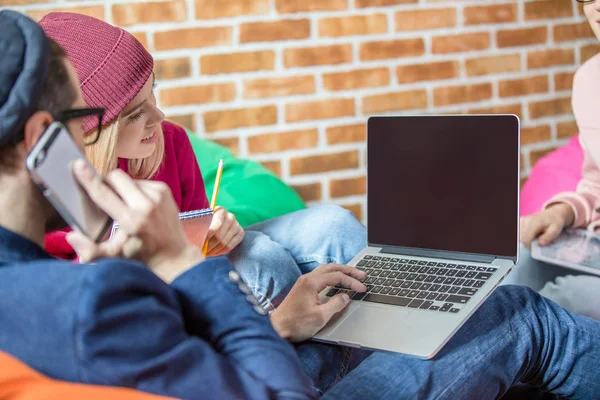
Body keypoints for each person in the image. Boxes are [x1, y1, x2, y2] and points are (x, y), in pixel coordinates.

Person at [3, 10, 600, 400]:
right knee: (519, 312)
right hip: (273, 376)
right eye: (83, 122)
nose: (158, 124)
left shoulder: (38, 285)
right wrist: (212, 285)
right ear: (41, 142)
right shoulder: (86, 300)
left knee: (346, 276)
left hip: (255, 358)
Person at [39, 12, 366, 311]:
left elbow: (199, 232)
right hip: (144, 294)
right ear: (93, 132)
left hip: (192, 263)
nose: (159, 116)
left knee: (334, 223)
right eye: (135, 114)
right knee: (262, 260)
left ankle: (397, 324)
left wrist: (215, 229)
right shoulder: (56, 197)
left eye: (151, 91)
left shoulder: (172, 142)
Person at [504, 0, 600, 321]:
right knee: (515, 264)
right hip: (594, 243)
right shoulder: (590, 81)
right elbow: (595, 184)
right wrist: (562, 212)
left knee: (546, 307)